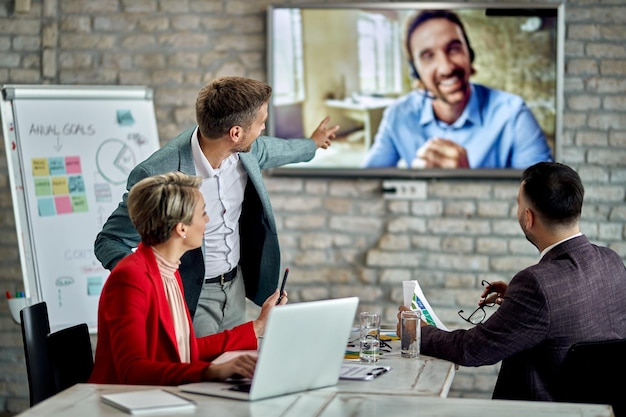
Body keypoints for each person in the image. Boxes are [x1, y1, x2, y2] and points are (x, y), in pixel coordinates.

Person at [94, 76, 339, 337]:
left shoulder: (247, 152)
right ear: (235, 133)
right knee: (200, 373)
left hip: (236, 289)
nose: (263, 130)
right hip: (191, 296)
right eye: (261, 124)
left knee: (235, 368)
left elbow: (279, 149)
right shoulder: (158, 173)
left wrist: (313, 143)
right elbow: (109, 240)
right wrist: (150, 282)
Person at [397, 161, 626, 401]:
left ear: (528, 217)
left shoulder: (537, 284)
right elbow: (574, 312)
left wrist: (418, 332)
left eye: (519, 205)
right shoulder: (611, 261)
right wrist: (518, 300)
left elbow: (472, 350)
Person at [90, 172, 286, 385]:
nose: (208, 220)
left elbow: (185, 348)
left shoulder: (171, 271)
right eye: (202, 213)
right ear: (181, 228)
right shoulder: (130, 279)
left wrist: (257, 326)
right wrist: (211, 371)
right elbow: (132, 370)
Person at [362, 10, 553, 169]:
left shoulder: (514, 114)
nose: (446, 68)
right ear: (415, 72)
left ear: (469, 54)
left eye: (454, 49)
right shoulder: (398, 115)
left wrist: (466, 181)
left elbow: (542, 205)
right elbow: (363, 184)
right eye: (428, 56)